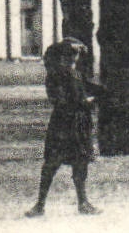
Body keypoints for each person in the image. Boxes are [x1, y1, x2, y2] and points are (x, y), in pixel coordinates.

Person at [26, 38, 102, 217]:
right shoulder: (56, 76)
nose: (74, 58)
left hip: (75, 124)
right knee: (52, 164)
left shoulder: (74, 74)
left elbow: (87, 88)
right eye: (71, 55)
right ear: (62, 56)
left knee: (79, 163)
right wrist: (86, 103)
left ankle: (81, 202)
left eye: (75, 55)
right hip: (64, 125)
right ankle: (40, 205)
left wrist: (104, 92)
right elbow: (61, 101)